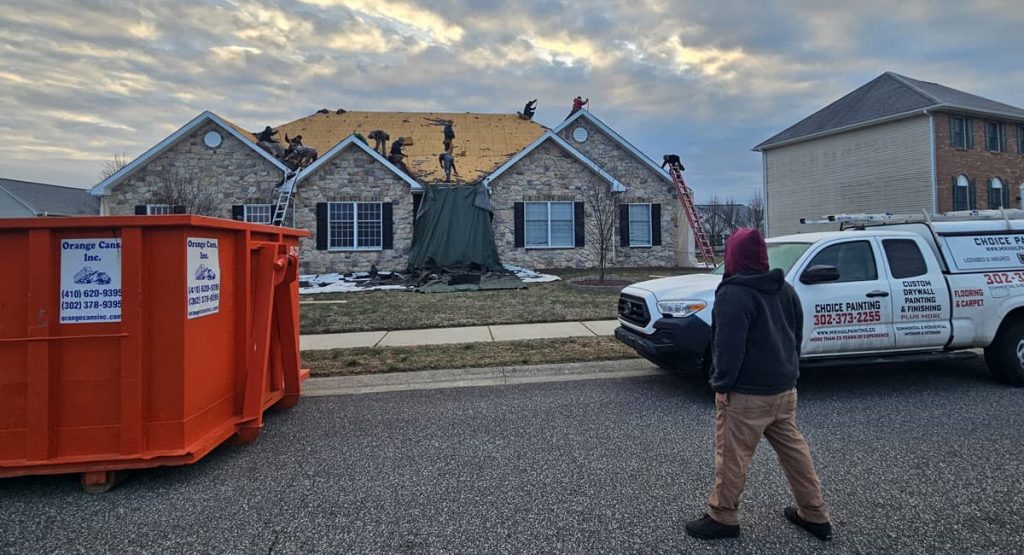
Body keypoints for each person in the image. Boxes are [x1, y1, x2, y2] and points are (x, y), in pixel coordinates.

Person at [685, 228, 832, 542]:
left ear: (734, 256)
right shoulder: (785, 289)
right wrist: (790, 372)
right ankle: (814, 513)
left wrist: (721, 385)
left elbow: (727, 347)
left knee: (732, 457)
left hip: (746, 394)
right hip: (784, 389)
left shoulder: (733, 294)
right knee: (795, 453)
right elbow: (796, 336)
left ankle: (722, 517)